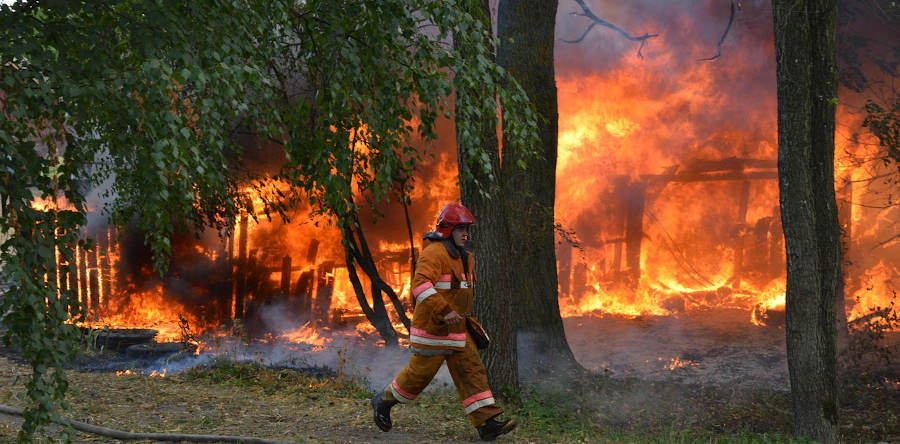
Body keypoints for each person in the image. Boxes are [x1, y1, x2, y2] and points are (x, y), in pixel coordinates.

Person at [371, 202, 517, 441]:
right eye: (460, 229)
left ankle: (486, 423)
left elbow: (462, 291)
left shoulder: (465, 258)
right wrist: (445, 310)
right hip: (434, 330)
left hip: (458, 330)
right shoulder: (434, 253)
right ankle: (383, 401)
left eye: (466, 228)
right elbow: (421, 286)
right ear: (447, 230)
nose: (465, 233)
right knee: (418, 377)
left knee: (472, 372)